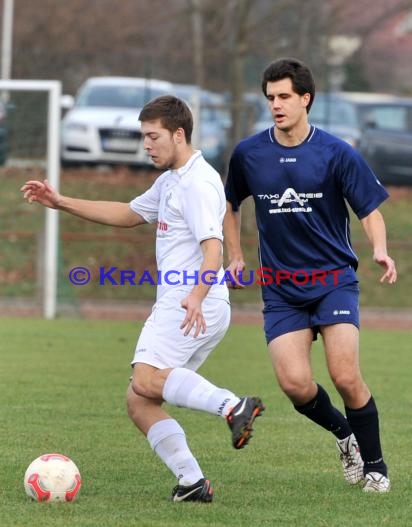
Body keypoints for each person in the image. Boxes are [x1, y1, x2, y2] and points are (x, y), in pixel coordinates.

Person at [21, 95, 264, 503]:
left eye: (153, 137)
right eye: (144, 137)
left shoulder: (198, 182)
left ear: (179, 134)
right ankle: (192, 482)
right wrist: (60, 202)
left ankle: (232, 406)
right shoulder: (171, 180)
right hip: (192, 299)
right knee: (140, 399)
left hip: (190, 298)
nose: (146, 145)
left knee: (146, 379)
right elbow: (129, 213)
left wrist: (196, 295)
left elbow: (213, 248)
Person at [224, 58, 397, 493]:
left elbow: (370, 211)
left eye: (284, 97)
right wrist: (235, 254)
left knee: (344, 375)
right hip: (282, 289)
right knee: (295, 385)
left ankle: (376, 468)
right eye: (270, 98)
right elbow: (229, 206)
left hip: (333, 279)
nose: (276, 105)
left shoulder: (336, 152)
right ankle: (346, 437)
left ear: (305, 99)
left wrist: (379, 249)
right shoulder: (249, 153)